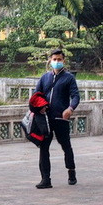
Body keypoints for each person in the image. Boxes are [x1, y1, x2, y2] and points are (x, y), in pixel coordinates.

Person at [33, 49, 80, 189]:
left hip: (61, 118)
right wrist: (39, 107)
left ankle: (71, 171)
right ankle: (45, 179)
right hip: (45, 119)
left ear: (63, 61)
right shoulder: (44, 78)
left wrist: (70, 108)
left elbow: (76, 96)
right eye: (54, 59)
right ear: (50, 60)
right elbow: (37, 95)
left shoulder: (69, 78)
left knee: (66, 146)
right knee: (44, 148)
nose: (57, 62)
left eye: (59, 59)